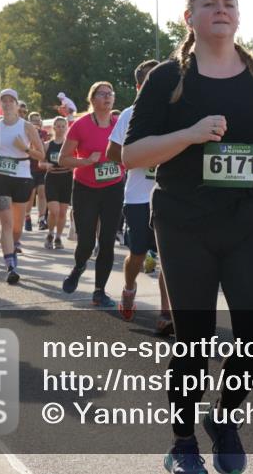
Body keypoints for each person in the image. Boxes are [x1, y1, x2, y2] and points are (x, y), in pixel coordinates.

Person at [122, 0, 253, 474]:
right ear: (189, 17)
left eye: (229, 4)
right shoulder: (166, 78)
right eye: (209, 4)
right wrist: (191, 135)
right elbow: (132, 155)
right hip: (184, 222)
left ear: (238, 16)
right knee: (193, 337)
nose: (221, 10)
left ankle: (224, 418)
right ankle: (182, 441)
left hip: (249, 218)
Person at [107, 59, 172, 326]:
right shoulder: (129, 115)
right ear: (138, 86)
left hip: (168, 193)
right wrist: (140, 156)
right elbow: (113, 152)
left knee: (169, 255)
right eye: (148, 81)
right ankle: (130, 287)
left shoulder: (173, 112)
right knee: (137, 253)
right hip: (137, 197)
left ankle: (166, 312)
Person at [59, 81, 125, 308]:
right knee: (86, 241)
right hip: (85, 188)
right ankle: (79, 267)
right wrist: (85, 161)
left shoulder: (119, 125)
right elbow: (63, 159)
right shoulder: (81, 125)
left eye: (110, 94)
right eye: (102, 94)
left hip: (113, 188)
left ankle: (100, 291)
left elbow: (130, 152)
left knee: (107, 241)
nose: (107, 97)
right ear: (92, 99)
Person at [0, 89, 45, 284]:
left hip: (22, 177)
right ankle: (10, 265)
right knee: (7, 223)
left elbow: (41, 155)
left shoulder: (27, 127)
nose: (8, 103)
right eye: (4, 100)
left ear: (17, 104)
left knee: (17, 227)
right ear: (0, 104)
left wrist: (26, 149)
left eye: (12, 100)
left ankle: (13, 246)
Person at [42, 117, 73, 250]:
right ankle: (50, 233)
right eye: (58, 126)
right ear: (53, 128)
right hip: (52, 178)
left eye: (62, 126)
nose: (60, 128)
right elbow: (40, 162)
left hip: (66, 178)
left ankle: (58, 237)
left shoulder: (70, 144)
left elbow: (75, 159)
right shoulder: (48, 145)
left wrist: (72, 165)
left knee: (62, 212)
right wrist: (46, 164)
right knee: (54, 211)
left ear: (66, 128)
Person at [27, 112, 50, 231]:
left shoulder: (44, 134)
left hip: (41, 168)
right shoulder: (26, 132)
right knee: (31, 194)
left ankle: (41, 218)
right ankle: (27, 216)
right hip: (29, 167)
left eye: (38, 120)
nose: (36, 122)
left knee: (42, 192)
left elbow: (46, 149)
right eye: (33, 120)